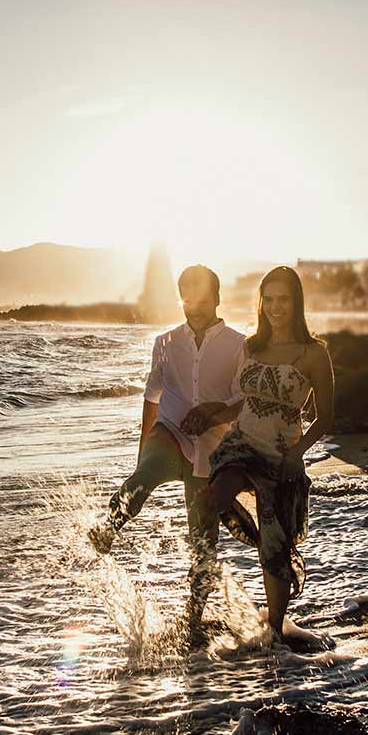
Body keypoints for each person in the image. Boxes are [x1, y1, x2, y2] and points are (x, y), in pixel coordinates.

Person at [88, 265, 246, 640]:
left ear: (218, 299)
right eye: (188, 299)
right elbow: (152, 396)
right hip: (170, 432)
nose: (195, 308)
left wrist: (214, 413)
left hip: (213, 448)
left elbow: (244, 399)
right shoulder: (164, 342)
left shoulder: (239, 344)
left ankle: (192, 620)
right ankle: (109, 528)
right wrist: (143, 451)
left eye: (203, 300)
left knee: (203, 541)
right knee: (145, 476)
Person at [195, 266, 334, 645]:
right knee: (216, 496)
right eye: (268, 299)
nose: (275, 307)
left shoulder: (314, 354)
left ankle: (274, 630)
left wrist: (298, 454)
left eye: (283, 299)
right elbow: (243, 402)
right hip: (241, 443)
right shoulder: (252, 346)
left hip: (281, 454)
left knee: (274, 548)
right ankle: (224, 579)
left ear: (297, 302)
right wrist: (212, 411)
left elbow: (326, 417)